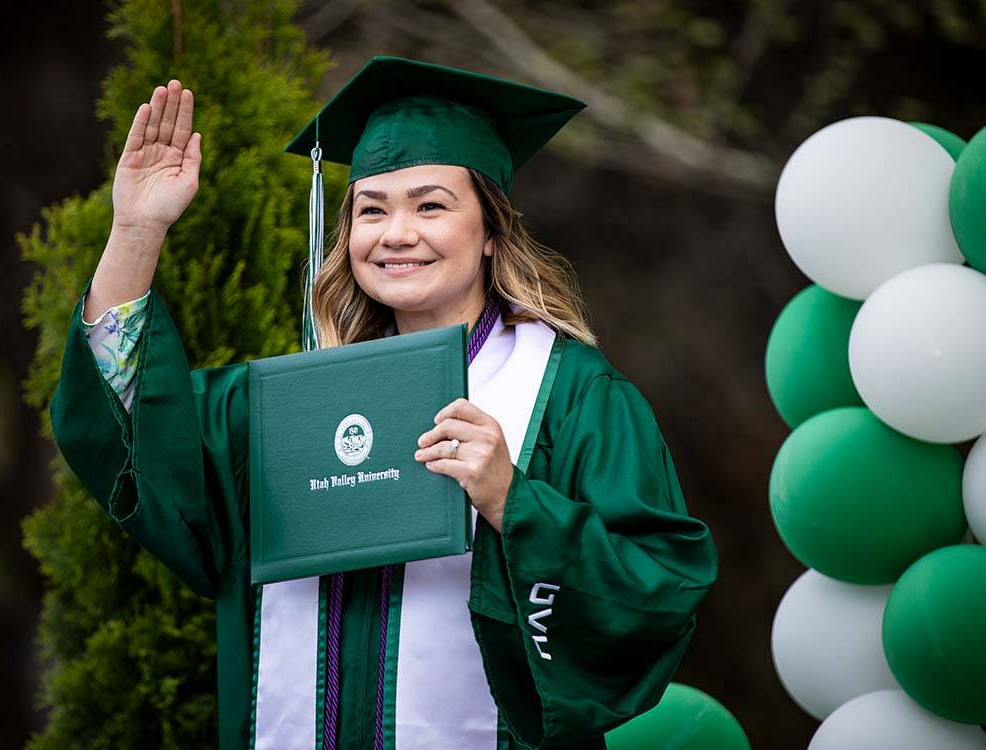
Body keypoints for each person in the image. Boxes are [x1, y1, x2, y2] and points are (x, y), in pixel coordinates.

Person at [52, 56, 717, 750]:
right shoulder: (292, 405)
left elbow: (659, 589)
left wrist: (512, 503)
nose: (396, 233)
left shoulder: (571, 393)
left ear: (491, 232)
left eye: (430, 205)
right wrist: (136, 231)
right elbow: (135, 429)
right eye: (372, 210)